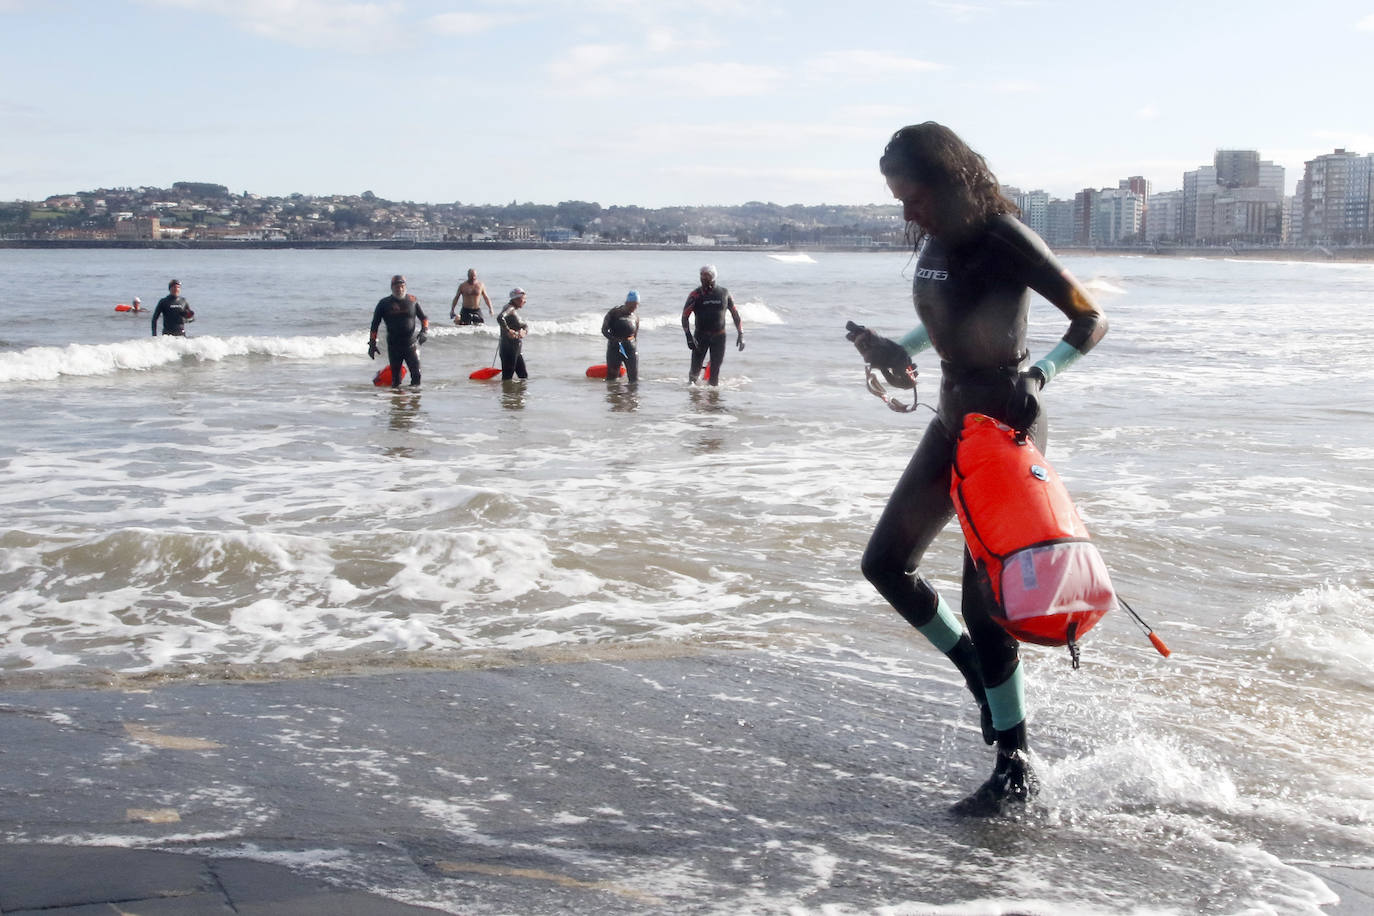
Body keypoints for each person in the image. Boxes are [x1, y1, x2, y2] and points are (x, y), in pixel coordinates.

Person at [848, 122, 1108, 816]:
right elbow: (949, 320)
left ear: (947, 182)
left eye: (914, 197)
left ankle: (1015, 765)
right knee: (884, 564)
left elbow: (1090, 319)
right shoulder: (937, 240)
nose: (909, 212)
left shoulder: (1003, 236)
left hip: (1003, 428)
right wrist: (897, 352)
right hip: (951, 420)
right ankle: (971, 667)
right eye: (900, 200)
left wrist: (1041, 376)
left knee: (983, 602)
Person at [681, 265, 743, 385]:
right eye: (701, 275)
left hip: (719, 337)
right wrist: (689, 337)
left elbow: (735, 314)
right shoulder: (695, 295)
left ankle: (713, 395)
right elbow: (684, 317)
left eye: (706, 275)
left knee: (715, 371)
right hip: (700, 337)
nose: (703, 278)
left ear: (713, 277)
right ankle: (692, 394)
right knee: (694, 371)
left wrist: (741, 333)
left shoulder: (724, 293)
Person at [368, 274, 428, 388]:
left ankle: (414, 398)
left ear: (405, 287)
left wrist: (424, 331)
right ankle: (397, 398)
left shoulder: (412, 300)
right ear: (392, 287)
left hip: (411, 345)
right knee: (396, 380)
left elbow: (424, 318)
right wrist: (372, 344)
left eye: (402, 286)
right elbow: (374, 324)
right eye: (396, 287)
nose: (399, 289)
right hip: (394, 346)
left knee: (417, 375)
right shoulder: (384, 303)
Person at [601, 290, 641, 383]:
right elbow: (604, 330)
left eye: (636, 305)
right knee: (612, 379)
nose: (633, 308)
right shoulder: (614, 313)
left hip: (630, 348)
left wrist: (633, 346)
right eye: (632, 305)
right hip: (615, 348)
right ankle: (613, 392)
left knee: (634, 379)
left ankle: (632, 392)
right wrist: (614, 340)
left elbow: (635, 335)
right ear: (627, 302)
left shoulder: (635, 317)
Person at [496, 287, 529, 380]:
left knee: (523, 376)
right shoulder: (509, 308)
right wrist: (508, 330)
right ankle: (506, 390)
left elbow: (524, 325)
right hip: (509, 349)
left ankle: (518, 391)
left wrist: (524, 331)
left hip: (516, 349)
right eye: (523, 299)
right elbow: (500, 318)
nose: (525, 301)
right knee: (507, 378)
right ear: (516, 299)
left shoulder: (513, 310)